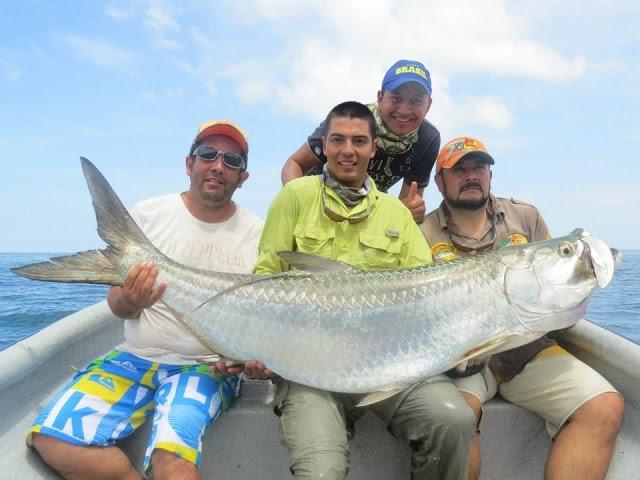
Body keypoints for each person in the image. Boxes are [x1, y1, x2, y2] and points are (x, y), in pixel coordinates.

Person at [27, 120, 265, 480]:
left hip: (205, 368)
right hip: (134, 358)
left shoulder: (258, 234)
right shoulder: (149, 215)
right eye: (207, 154)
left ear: (243, 177)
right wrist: (133, 300)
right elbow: (117, 305)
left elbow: (260, 320)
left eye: (231, 160)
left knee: (173, 463)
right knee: (50, 439)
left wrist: (246, 358)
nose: (218, 165)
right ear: (189, 164)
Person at [255, 101, 476, 480]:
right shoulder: (294, 197)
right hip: (310, 370)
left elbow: (426, 293)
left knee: (452, 418)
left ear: (373, 148)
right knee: (321, 471)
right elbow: (264, 280)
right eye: (338, 139)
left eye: (359, 141)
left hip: (390, 366)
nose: (348, 150)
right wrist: (258, 347)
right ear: (322, 145)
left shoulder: (395, 214)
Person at [420, 136, 624, 480]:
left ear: (490, 175)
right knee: (453, 418)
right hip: (459, 358)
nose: (471, 175)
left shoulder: (524, 217)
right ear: (440, 181)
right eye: (459, 170)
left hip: (529, 348)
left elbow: (558, 290)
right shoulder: (421, 231)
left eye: (479, 168)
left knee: (604, 407)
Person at [281, 59, 440, 224]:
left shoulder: (428, 139)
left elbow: (408, 202)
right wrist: (299, 204)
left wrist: (409, 213)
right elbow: (294, 163)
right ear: (380, 98)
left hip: (365, 212)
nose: (404, 110)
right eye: (396, 98)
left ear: (428, 105)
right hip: (317, 201)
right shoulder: (351, 121)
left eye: (416, 100)